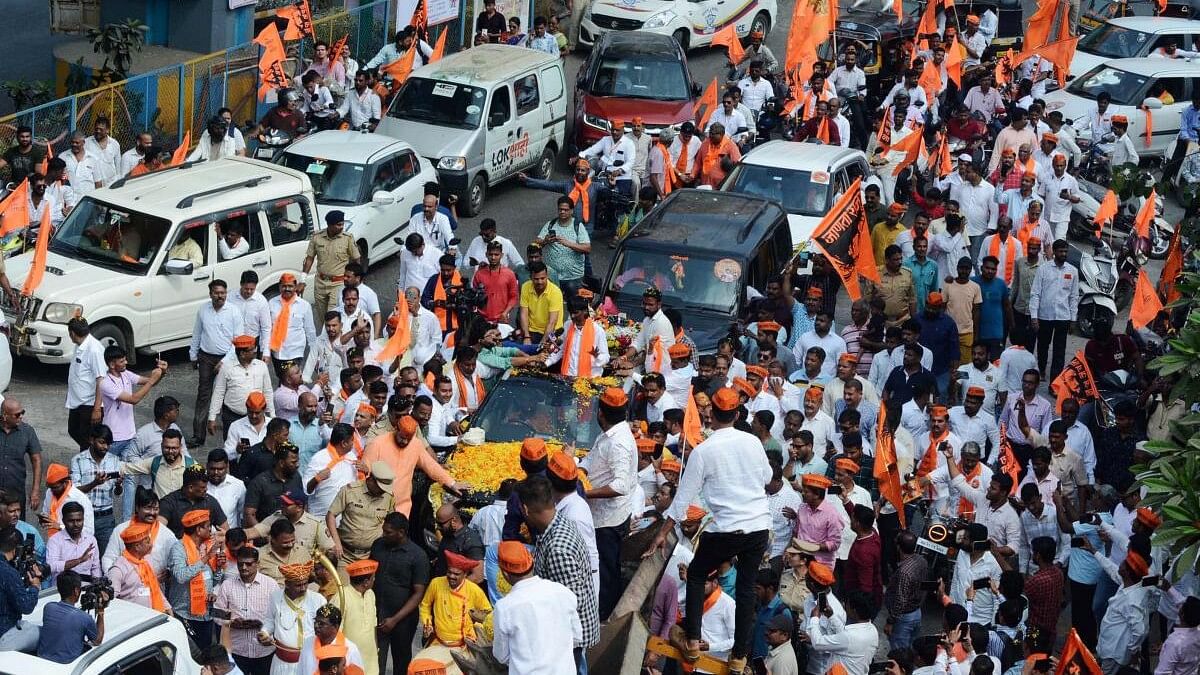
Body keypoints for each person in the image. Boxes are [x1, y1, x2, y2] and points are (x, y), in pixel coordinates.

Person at [648, 387, 771, 674]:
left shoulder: (704, 450)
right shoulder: (752, 442)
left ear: (711, 414)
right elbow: (766, 477)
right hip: (757, 528)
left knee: (696, 574)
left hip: (727, 528)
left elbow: (682, 500)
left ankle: (692, 640)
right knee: (746, 590)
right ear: (737, 415)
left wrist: (662, 532)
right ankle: (739, 656)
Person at [516, 473, 599, 672]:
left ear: (525, 509)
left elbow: (569, 604)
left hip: (570, 638)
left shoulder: (558, 547)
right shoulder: (558, 524)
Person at [492, 540, 583, 675]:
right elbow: (577, 637)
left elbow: (502, 655)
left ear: (504, 574)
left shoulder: (504, 608)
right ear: (532, 563)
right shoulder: (562, 592)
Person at [213, 545, 278, 675]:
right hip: (238, 651)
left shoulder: (271, 585)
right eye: (240, 564)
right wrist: (232, 622)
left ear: (257, 563)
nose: (243, 568)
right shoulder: (227, 585)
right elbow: (216, 613)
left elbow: (278, 615)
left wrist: (262, 625)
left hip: (263, 652)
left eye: (248, 564)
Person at [262, 561, 325, 675]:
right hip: (282, 663)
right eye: (298, 585)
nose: (303, 588)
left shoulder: (318, 599)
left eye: (305, 584)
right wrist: (264, 632)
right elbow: (270, 621)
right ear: (287, 584)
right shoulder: (275, 597)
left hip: (310, 661)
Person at [1028, 239, 1078, 379]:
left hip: (1063, 316)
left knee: (1060, 350)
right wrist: (1034, 316)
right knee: (1043, 345)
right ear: (1054, 252)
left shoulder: (1072, 271)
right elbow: (1035, 293)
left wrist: (1073, 319)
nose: (1063, 254)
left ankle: (1055, 380)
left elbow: (1074, 297)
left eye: (1065, 252)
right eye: (1061, 251)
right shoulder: (1043, 269)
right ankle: (1042, 370)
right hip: (1045, 315)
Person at [302, 212, 361, 324]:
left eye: (342, 224)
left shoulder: (347, 238)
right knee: (322, 318)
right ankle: (325, 339)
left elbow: (356, 259)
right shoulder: (317, 237)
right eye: (338, 225)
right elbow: (309, 259)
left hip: (338, 284)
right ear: (329, 225)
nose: (341, 227)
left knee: (332, 316)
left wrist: (357, 279)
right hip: (320, 283)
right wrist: (302, 280)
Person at [37, 570, 104, 664]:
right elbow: (97, 641)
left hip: (40, 662)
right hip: (66, 668)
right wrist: (101, 611)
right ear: (76, 591)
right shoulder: (85, 618)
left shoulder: (48, 607)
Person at [107, 520, 168, 613]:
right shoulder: (118, 569)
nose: (151, 544)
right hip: (133, 620)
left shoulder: (147, 561)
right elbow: (111, 600)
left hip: (154, 615)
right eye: (147, 542)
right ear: (137, 546)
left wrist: (166, 606)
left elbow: (155, 588)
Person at [269, 274, 319, 381]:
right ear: (279, 287)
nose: (287, 289)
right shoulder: (272, 303)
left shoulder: (304, 305)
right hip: (277, 352)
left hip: (294, 351)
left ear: (295, 287)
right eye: (284, 286)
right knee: (282, 379)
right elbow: (267, 328)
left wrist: (315, 354)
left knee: (292, 380)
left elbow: (310, 331)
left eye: (290, 286)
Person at [46, 501, 100, 583]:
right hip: (61, 590)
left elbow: (96, 568)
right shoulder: (54, 541)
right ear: (63, 521)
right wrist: (79, 560)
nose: (76, 524)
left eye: (79, 520)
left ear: (83, 520)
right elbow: (51, 567)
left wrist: (97, 585)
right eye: (71, 521)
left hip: (87, 588)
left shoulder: (91, 540)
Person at [40, 462, 94, 539]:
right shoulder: (50, 492)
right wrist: (44, 520)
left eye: (55, 487)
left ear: (65, 483)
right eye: (50, 487)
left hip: (74, 545)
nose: (52, 491)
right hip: (53, 541)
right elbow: (45, 513)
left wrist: (60, 527)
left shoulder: (80, 499)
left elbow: (89, 531)